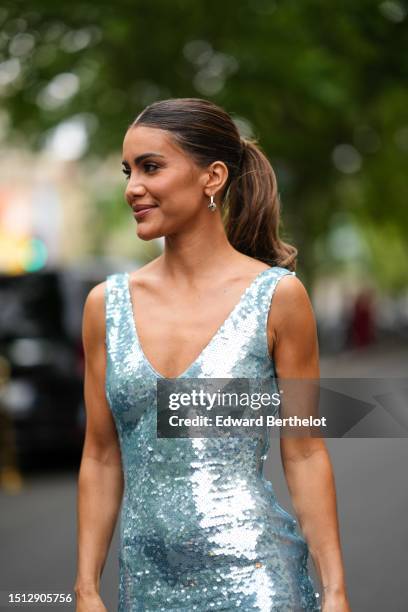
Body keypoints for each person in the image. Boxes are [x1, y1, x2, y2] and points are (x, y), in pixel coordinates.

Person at [74, 98, 350, 611]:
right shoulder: (104, 307)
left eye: (151, 166)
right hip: (147, 589)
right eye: (128, 170)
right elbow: (100, 454)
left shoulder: (278, 298)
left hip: (258, 580)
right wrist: (86, 587)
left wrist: (335, 590)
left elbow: (306, 451)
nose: (132, 186)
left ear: (213, 177)